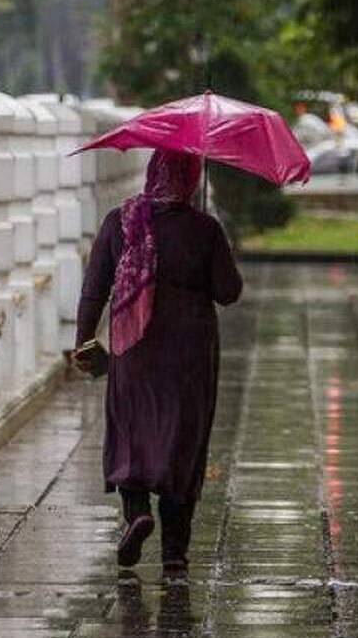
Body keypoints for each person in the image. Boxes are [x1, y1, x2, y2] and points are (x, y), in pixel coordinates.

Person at [73, 149, 243, 576]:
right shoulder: (204, 229)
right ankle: (174, 553)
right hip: (189, 357)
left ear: (152, 172)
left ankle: (136, 514)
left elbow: (93, 290)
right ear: (190, 178)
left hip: (133, 353)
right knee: (180, 442)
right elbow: (228, 292)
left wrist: (83, 342)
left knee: (132, 431)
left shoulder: (121, 222)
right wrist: (211, 241)